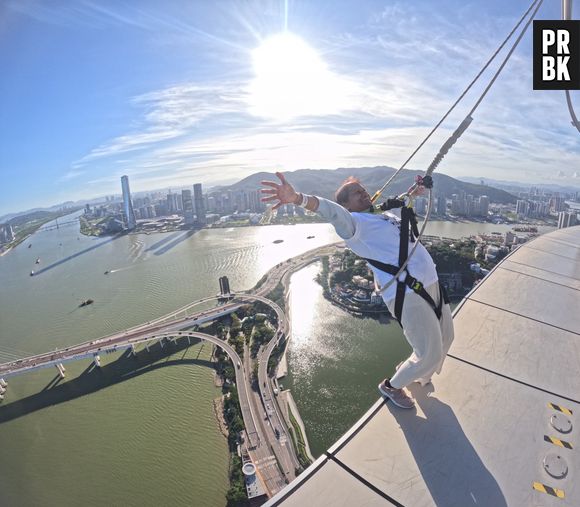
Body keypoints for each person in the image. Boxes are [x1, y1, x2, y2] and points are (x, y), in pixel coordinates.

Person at [260, 172, 454, 409]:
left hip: (429, 281)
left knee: (447, 337)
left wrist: (415, 190)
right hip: (408, 292)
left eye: (363, 190)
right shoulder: (354, 225)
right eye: (356, 193)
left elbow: (404, 200)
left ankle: (417, 373)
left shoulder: (383, 215)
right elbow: (330, 211)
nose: (363, 193)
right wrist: (298, 198)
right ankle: (391, 386)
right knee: (429, 353)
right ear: (346, 206)